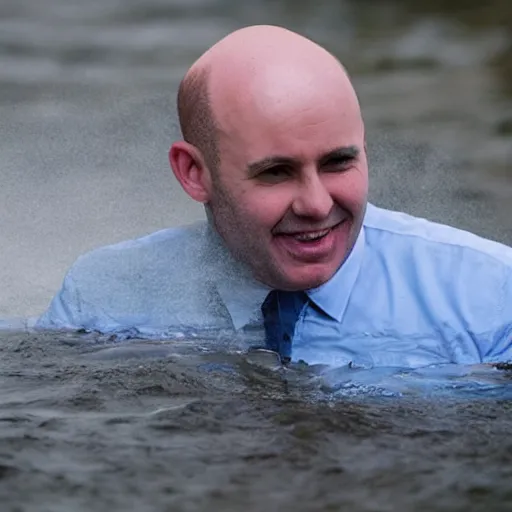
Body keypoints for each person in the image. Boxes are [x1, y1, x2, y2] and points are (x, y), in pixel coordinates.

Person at [36, 25, 512, 368]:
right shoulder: (100, 301)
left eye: (337, 162)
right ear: (193, 173)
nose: (316, 204)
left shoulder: (492, 300)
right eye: (276, 172)